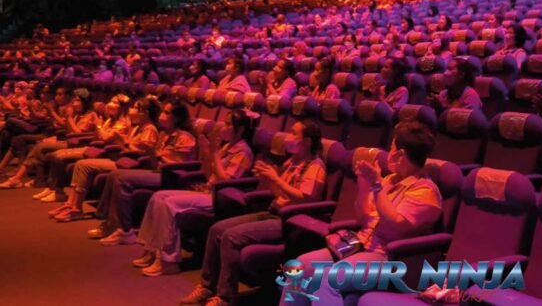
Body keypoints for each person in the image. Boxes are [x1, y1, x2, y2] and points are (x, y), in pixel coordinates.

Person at [276, 120, 442, 306]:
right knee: (301, 265)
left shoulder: (424, 191)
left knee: (327, 279)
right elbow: (363, 219)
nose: (388, 153)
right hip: (360, 244)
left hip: (390, 258)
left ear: (400, 154)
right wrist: (364, 186)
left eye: (392, 147)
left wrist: (377, 186)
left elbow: (395, 225)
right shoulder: (389, 180)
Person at [180, 120, 326, 306]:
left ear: (307, 141)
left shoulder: (315, 166)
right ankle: (206, 286)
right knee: (216, 229)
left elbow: (307, 199)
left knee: (231, 237)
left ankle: (225, 298)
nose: (288, 137)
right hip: (273, 211)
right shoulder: (292, 162)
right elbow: (280, 193)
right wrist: (269, 179)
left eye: (294, 133)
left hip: (289, 221)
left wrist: (276, 179)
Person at [134, 110, 256, 277]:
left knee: (169, 203)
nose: (223, 127)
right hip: (207, 190)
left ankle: (168, 261)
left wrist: (213, 154)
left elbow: (226, 180)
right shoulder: (227, 146)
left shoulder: (243, 152)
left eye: (228, 124)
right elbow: (207, 173)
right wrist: (207, 153)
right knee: (158, 196)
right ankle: (151, 249)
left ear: (240, 129)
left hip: (219, 198)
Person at [91, 103, 197, 245]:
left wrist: (156, 154)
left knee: (122, 179)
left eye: (167, 113)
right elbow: (156, 160)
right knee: (114, 174)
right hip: (157, 171)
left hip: (172, 176)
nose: (162, 115)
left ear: (177, 117)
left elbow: (179, 163)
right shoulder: (165, 134)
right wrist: (153, 154)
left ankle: (126, 231)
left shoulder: (185, 137)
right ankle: (110, 223)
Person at [51, 97, 161, 222]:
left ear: (145, 113)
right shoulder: (138, 127)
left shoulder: (149, 129)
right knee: (81, 164)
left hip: (134, 165)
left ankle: (76, 209)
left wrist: (121, 140)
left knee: (84, 166)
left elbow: (144, 154)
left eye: (135, 108)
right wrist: (122, 140)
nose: (131, 110)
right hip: (124, 159)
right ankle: (71, 204)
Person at [0, 89, 98, 195]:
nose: (74, 103)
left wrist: (68, 118)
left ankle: (17, 178)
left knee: (41, 147)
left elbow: (78, 133)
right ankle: (41, 183)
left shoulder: (91, 115)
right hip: (66, 140)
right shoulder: (77, 114)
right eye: (74, 100)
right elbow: (66, 129)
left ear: (85, 102)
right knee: (39, 146)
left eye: (78, 101)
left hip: (79, 144)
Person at [43, 94, 133, 207]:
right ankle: (54, 190)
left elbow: (105, 138)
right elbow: (100, 136)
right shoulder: (110, 120)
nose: (110, 104)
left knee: (63, 158)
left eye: (115, 102)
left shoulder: (123, 122)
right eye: (110, 101)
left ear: (122, 107)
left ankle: (62, 195)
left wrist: (99, 127)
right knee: (57, 154)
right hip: (97, 148)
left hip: (108, 153)